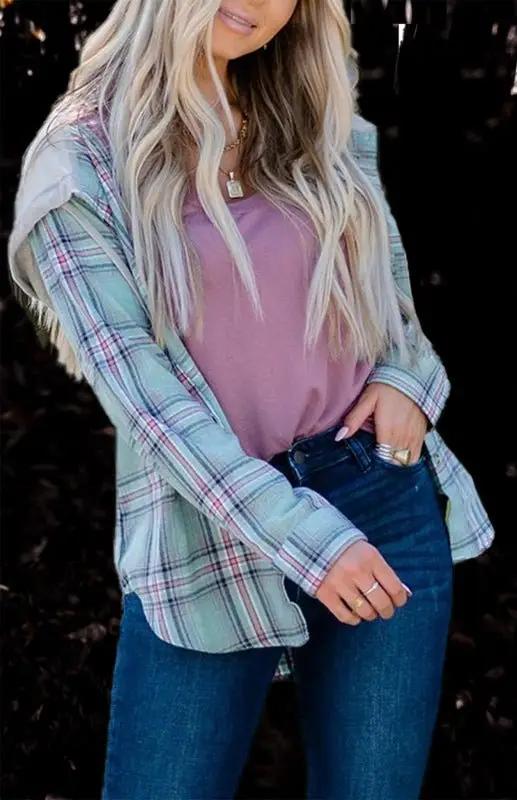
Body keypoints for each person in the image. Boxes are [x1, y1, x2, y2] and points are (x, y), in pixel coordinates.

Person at [7, 1, 495, 798]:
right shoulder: (79, 165)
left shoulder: (308, 109)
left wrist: (405, 381)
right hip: (206, 526)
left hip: (377, 494)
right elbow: (150, 405)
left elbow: (387, 300)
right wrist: (308, 537)